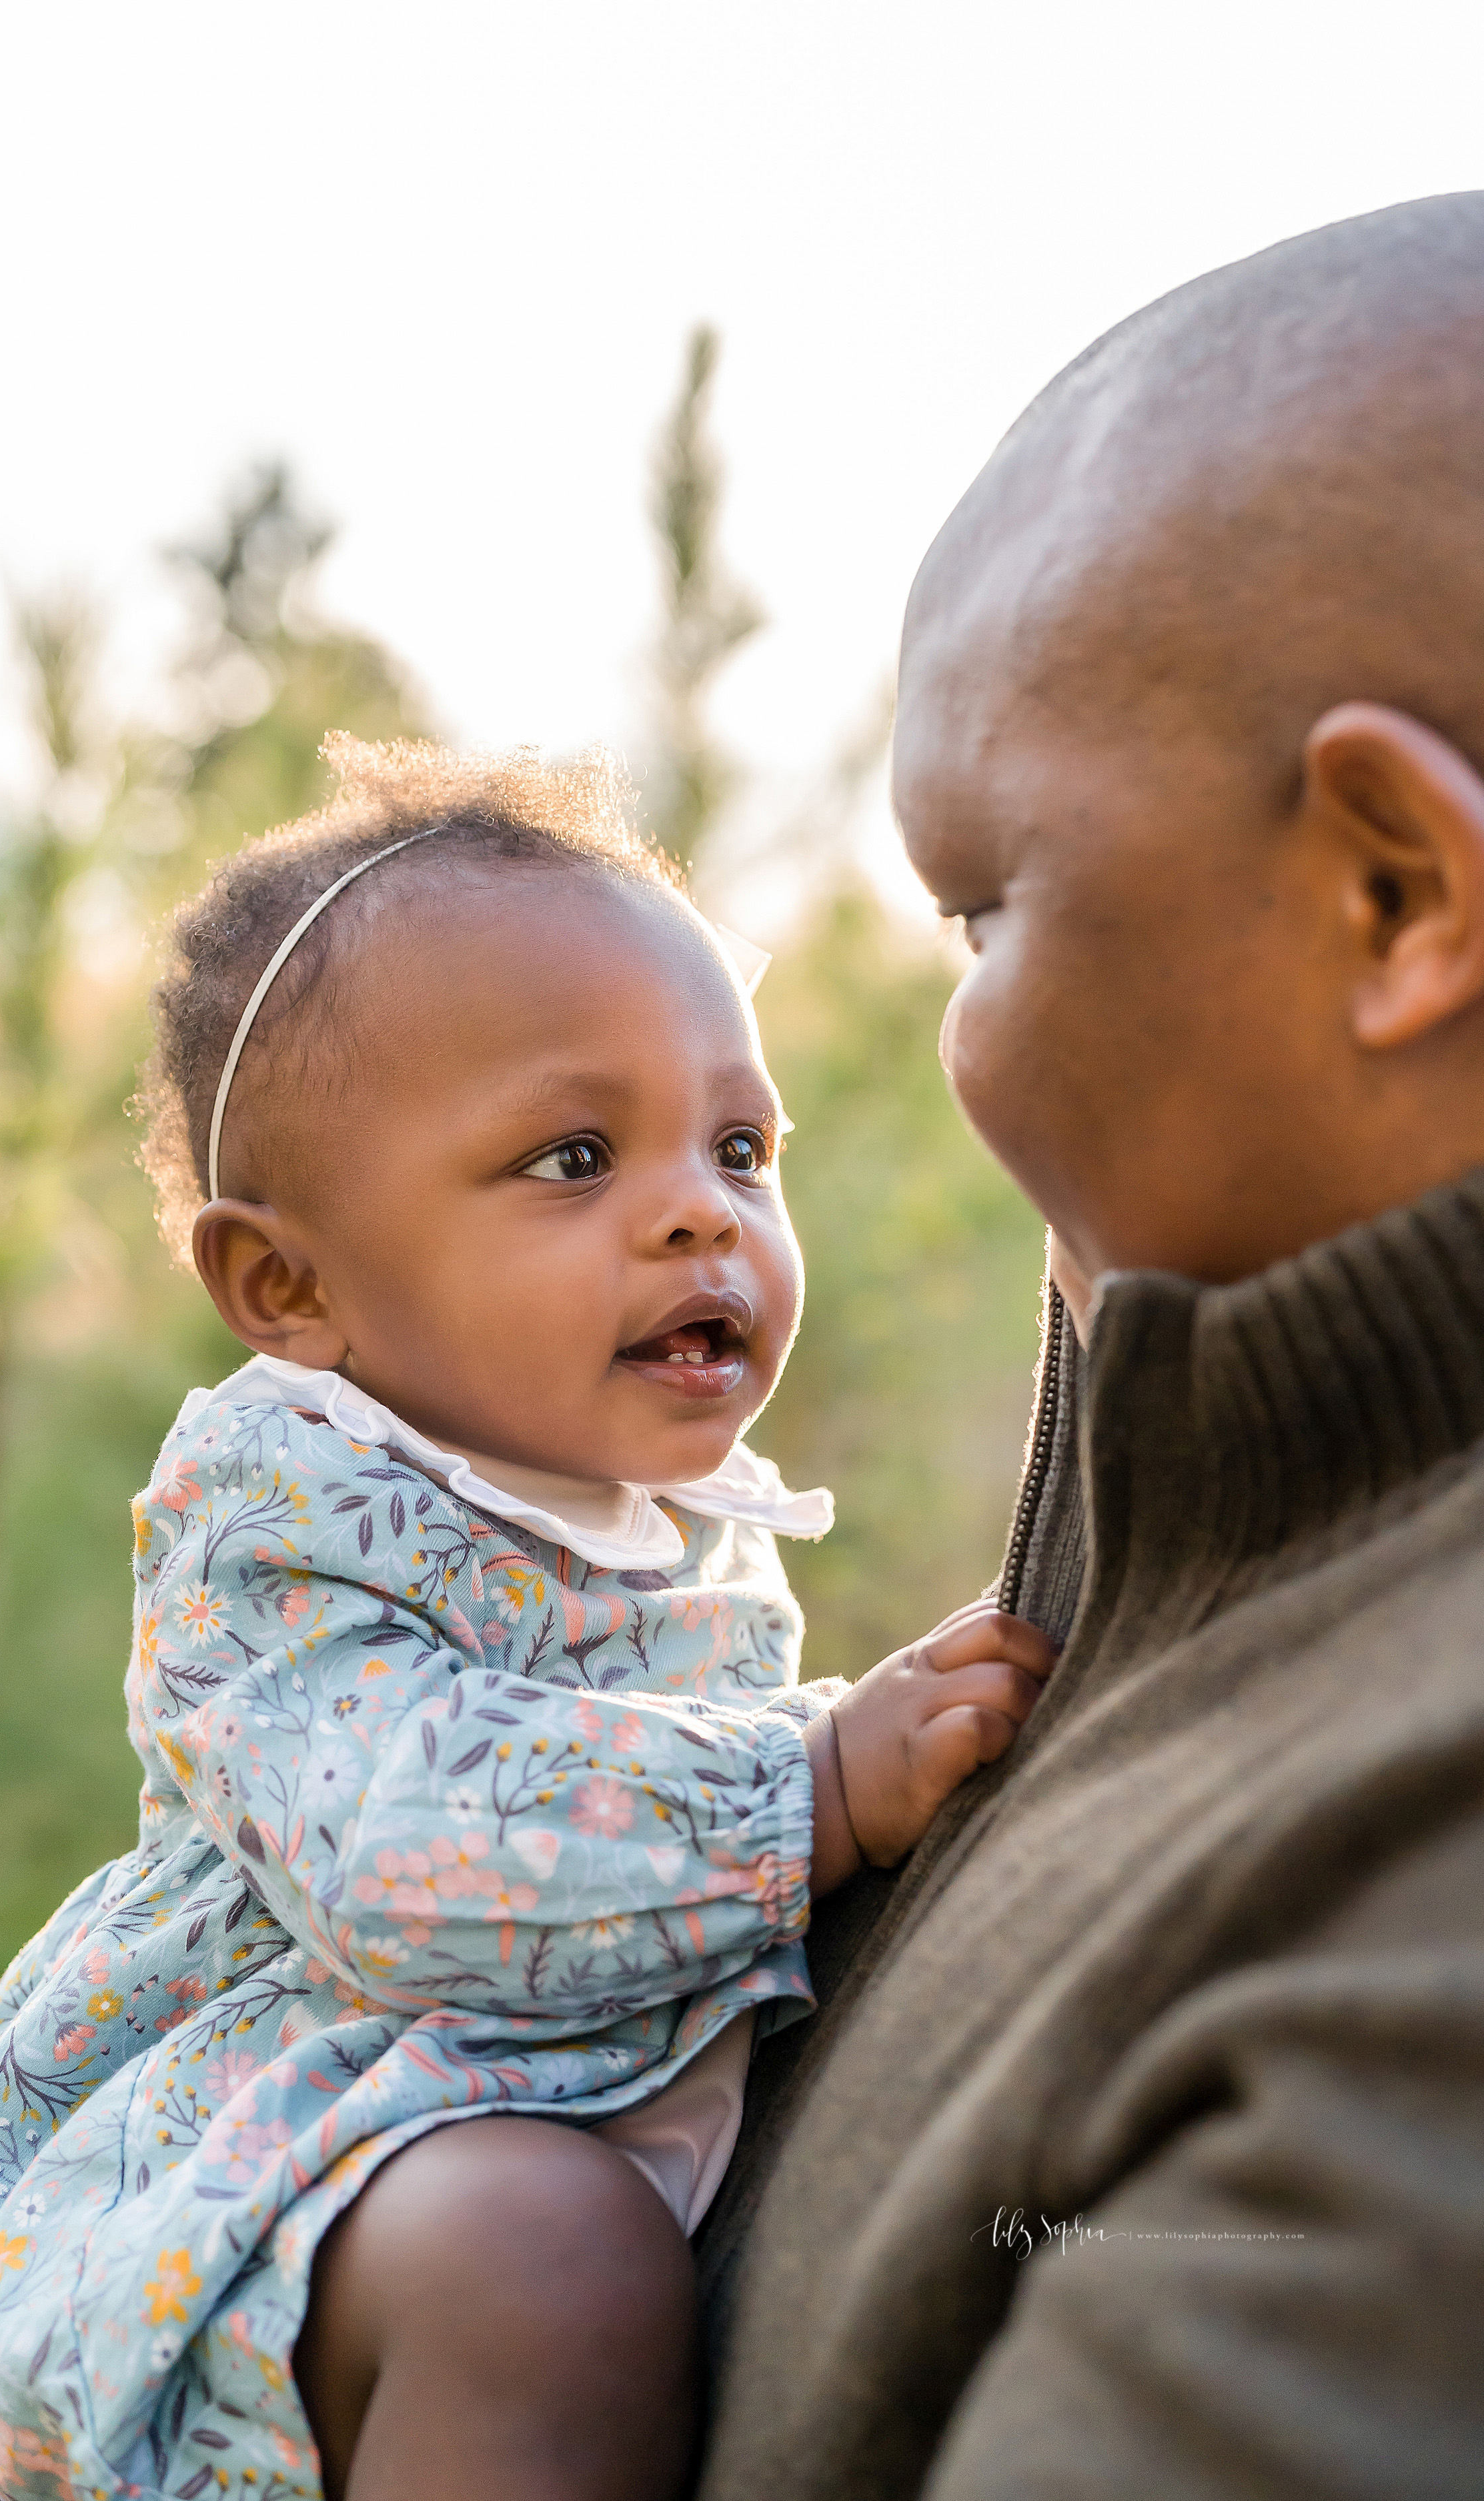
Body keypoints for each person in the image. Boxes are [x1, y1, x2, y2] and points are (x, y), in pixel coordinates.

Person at [0, 738, 1054, 2501]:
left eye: (740, 1144)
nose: (694, 1208)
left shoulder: (670, 1517)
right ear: (290, 1286)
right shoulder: (279, 1515)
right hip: (283, 2149)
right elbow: (405, 1848)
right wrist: (802, 1785)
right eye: (573, 1156)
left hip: (514, 2098)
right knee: (542, 2260)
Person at [694, 191, 1484, 2500]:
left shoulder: (1429, 1894)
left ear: (1395, 897)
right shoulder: (1209, 1562)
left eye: (976, 904)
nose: (946, 1044)